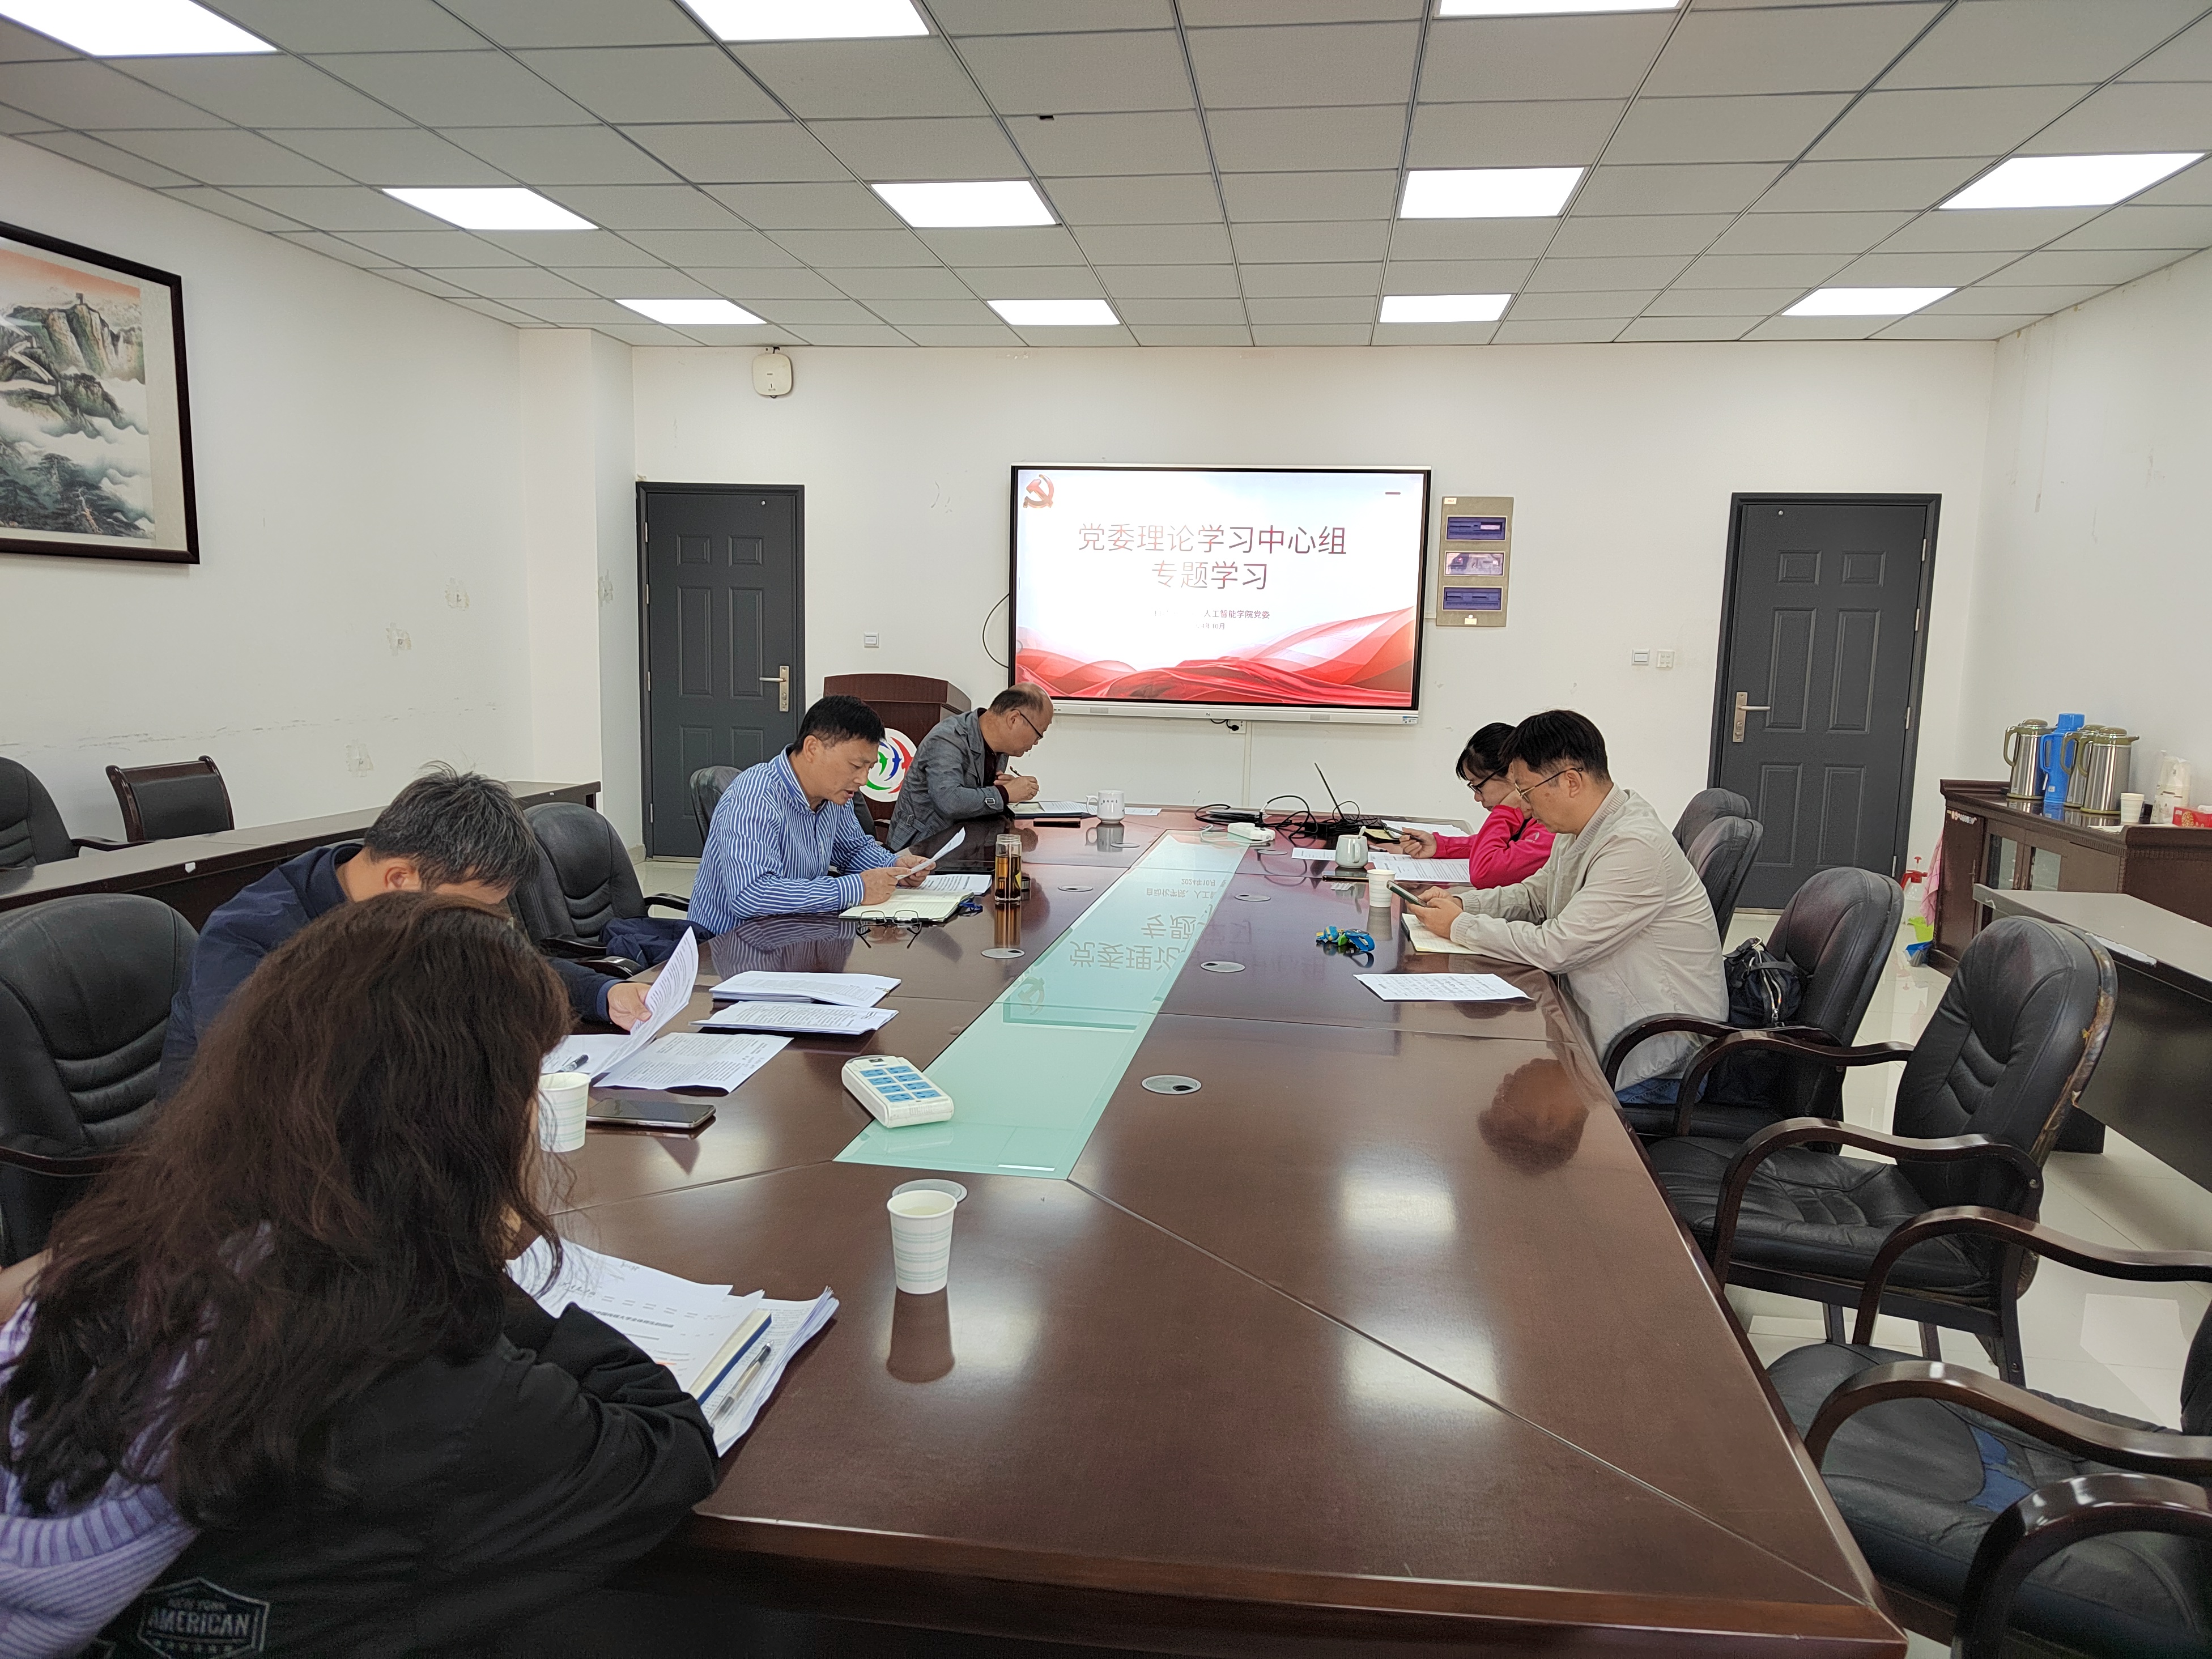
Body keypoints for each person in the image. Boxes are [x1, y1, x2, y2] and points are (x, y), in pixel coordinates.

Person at [0, 895, 718, 1654]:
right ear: (471, 1125)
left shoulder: (135, 1263)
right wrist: (466, 1262)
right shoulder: (422, 1374)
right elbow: (666, 1447)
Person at [158, 768, 646, 1096]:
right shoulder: (249, 938)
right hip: (237, 1173)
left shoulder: (415, 896)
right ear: (399, 879)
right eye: (472, 910)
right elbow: (273, 1081)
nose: (478, 926)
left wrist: (604, 994)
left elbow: (514, 962)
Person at [1407, 711, 1724, 1100]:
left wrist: (1460, 926)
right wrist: (1462, 903)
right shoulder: (1580, 828)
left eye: (1526, 792)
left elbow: (1557, 948)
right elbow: (1534, 897)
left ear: (1570, 781)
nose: (1524, 806)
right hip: (1599, 1029)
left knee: (1470, 1083)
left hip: (1654, 1060)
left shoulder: (1634, 845)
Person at [691, 695, 928, 932]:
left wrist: (895, 867)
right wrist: (856, 889)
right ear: (813, 748)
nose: (863, 780)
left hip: (797, 933)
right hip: (733, 945)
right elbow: (751, 895)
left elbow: (853, 851)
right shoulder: (756, 795)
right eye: (856, 766)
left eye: (870, 768)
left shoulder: (833, 795)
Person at [887, 684, 1054, 852]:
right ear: (1014, 719)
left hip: (966, 847)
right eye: (1039, 733)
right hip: (921, 852)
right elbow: (949, 801)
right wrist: (1004, 794)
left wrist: (1007, 791)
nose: (1036, 742)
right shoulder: (948, 739)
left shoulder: (1001, 748)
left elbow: (980, 803)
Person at [1394, 722, 1554, 888]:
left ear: (1513, 773)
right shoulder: (1529, 817)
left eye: (1478, 786)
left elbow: (1484, 873)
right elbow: (1501, 845)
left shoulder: (1550, 826)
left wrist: (1506, 810)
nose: (1477, 798)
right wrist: (1440, 846)